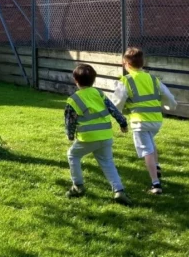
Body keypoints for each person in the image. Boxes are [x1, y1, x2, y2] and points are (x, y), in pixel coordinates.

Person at [111, 47, 177, 194]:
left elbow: (117, 102)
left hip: (139, 122)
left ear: (125, 63)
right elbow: (169, 96)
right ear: (143, 63)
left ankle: (155, 184)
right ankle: (157, 166)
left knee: (146, 150)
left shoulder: (125, 81)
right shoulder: (153, 79)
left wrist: (116, 113)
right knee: (151, 144)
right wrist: (171, 106)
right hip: (156, 121)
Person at [65, 63, 132, 205]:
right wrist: (123, 123)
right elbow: (113, 109)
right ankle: (119, 190)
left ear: (75, 80)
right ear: (94, 80)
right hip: (105, 136)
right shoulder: (99, 93)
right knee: (107, 162)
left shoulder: (73, 99)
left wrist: (70, 135)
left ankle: (78, 186)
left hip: (88, 138)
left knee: (73, 155)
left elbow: (70, 120)